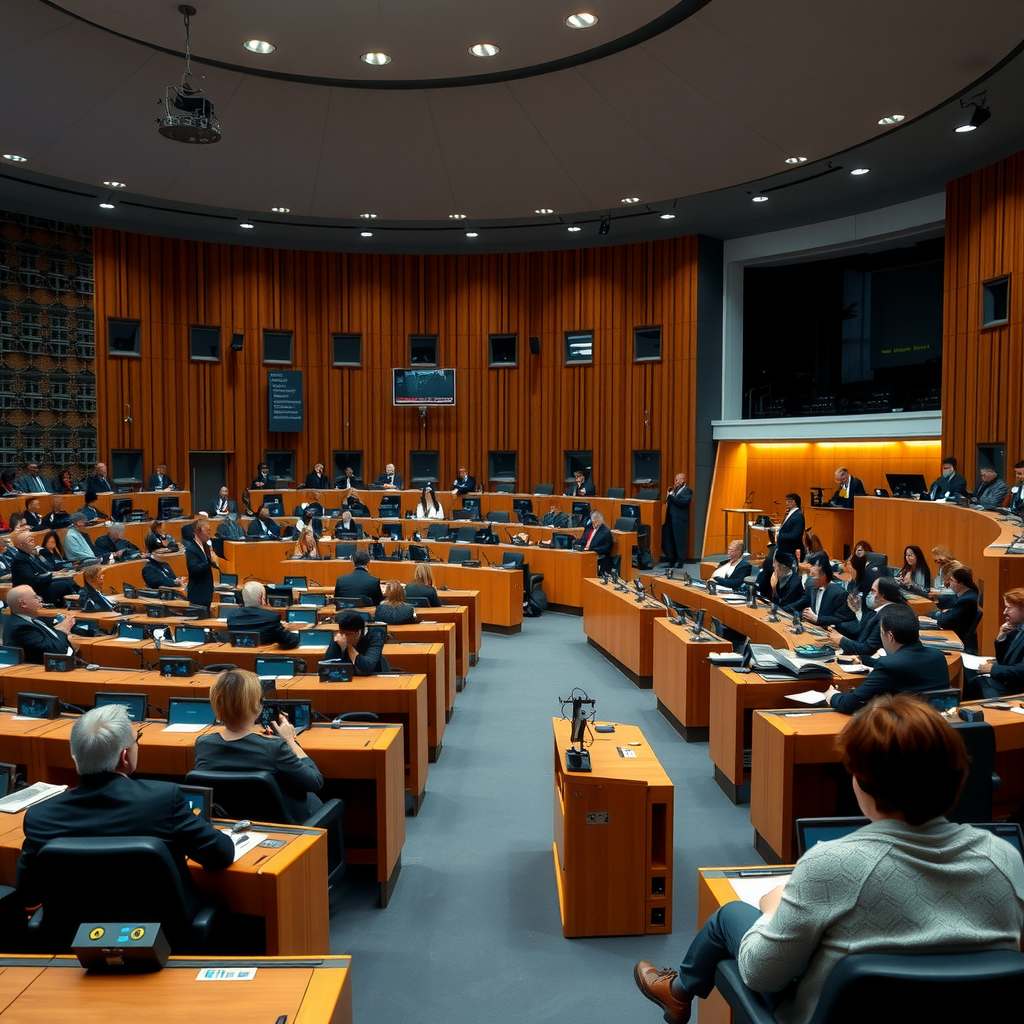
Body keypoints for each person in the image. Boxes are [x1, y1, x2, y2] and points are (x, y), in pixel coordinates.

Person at [632, 692, 1024, 1024]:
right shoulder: (1005, 859)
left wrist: (772, 909)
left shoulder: (832, 865)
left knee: (730, 916)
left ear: (863, 784)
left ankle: (678, 992)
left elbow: (760, 974)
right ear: (957, 777)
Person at [16, 704, 235, 912]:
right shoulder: (164, 800)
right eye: (136, 741)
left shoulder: (40, 818)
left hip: (71, 939)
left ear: (75, 757)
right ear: (125, 757)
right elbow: (221, 854)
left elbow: (29, 895)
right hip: (160, 936)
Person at [194, 670, 324, 820]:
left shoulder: (203, 745)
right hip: (285, 828)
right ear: (256, 707)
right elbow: (315, 782)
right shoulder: (274, 748)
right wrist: (289, 740)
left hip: (232, 823)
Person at [824, 604, 949, 713]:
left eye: (881, 632)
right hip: (933, 724)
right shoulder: (938, 656)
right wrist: (864, 659)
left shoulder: (888, 666)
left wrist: (833, 696)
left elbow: (849, 703)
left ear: (890, 636)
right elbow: (908, 666)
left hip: (901, 728)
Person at [827, 577, 906, 658]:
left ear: (883, 595)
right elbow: (862, 632)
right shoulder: (876, 611)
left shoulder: (888, 617)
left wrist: (841, 640)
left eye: (873, 591)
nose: (869, 594)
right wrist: (858, 612)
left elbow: (868, 649)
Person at [968, 587, 1024, 698]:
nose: (1004, 612)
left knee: (974, 683)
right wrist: (1002, 636)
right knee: (968, 674)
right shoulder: (1018, 628)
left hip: (1015, 689)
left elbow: (1021, 671)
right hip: (1008, 681)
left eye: (1008, 608)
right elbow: (1003, 660)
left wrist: (992, 669)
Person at [6, 585, 80, 662]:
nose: (39, 599)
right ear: (23, 603)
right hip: (56, 667)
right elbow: (55, 651)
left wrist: (58, 629)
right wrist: (63, 630)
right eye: (35, 597)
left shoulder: (27, 620)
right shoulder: (21, 628)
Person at [921, 564, 980, 653]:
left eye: (952, 580)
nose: (949, 584)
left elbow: (945, 620)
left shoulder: (967, 600)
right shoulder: (965, 595)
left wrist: (936, 614)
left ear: (961, 583)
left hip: (956, 638)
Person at [9, 529, 78, 604]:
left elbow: (44, 569)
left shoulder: (31, 555)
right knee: (62, 585)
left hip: (39, 584)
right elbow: (31, 579)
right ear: (22, 545)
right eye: (30, 541)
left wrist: (57, 574)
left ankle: (75, 602)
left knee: (69, 579)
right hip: (31, 590)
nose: (34, 544)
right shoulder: (20, 559)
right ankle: (68, 604)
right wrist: (51, 576)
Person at [223, 581, 300, 647]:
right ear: (261, 597)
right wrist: (299, 636)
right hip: (267, 658)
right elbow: (288, 640)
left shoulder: (232, 616)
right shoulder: (271, 616)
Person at [795, 559, 856, 628]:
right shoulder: (812, 587)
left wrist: (817, 619)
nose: (811, 580)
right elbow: (804, 604)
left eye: (815, 576)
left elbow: (843, 619)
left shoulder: (839, 593)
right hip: (813, 627)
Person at [323, 610, 389, 674]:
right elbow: (326, 666)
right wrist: (336, 644)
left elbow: (367, 667)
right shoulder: (339, 636)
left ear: (358, 632)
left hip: (371, 678)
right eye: (341, 633)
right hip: (346, 676)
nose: (343, 636)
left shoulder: (375, 636)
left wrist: (348, 646)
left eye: (347, 634)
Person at [185, 517, 218, 611]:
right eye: (207, 531)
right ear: (198, 531)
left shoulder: (205, 547)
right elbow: (194, 569)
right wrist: (208, 561)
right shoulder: (191, 549)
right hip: (198, 594)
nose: (209, 534)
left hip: (206, 594)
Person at [662, 473, 692, 568]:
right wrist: (669, 495)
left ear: (683, 480)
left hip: (680, 519)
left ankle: (681, 560)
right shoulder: (673, 490)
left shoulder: (688, 491)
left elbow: (683, 502)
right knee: (669, 539)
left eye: (678, 479)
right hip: (670, 518)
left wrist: (671, 497)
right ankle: (671, 559)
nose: (676, 481)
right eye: (675, 479)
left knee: (679, 540)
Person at [773, 493, 804, 561]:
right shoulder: (791, 513)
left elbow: (795, 535)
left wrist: (779, 535)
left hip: (791, 550)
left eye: (788, 501)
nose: (786, 503)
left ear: (794, 503)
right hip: (784, 548)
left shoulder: (798, 516)